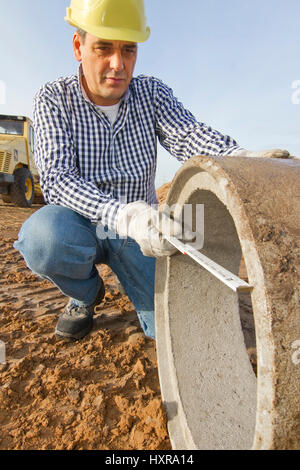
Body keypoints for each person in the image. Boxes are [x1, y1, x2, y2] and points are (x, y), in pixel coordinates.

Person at [14, 0, 290, 341]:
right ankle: (85, 295)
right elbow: (57, 178)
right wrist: (123, 214)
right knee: (43, 239)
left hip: (138, 237)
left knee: (174, 329)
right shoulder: (54, 98)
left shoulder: (150, 93)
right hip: (80, 224)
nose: (118, 64)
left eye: (128, 50)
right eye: (103, 48)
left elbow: (188, 135)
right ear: (78, 47)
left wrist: (239, 158)